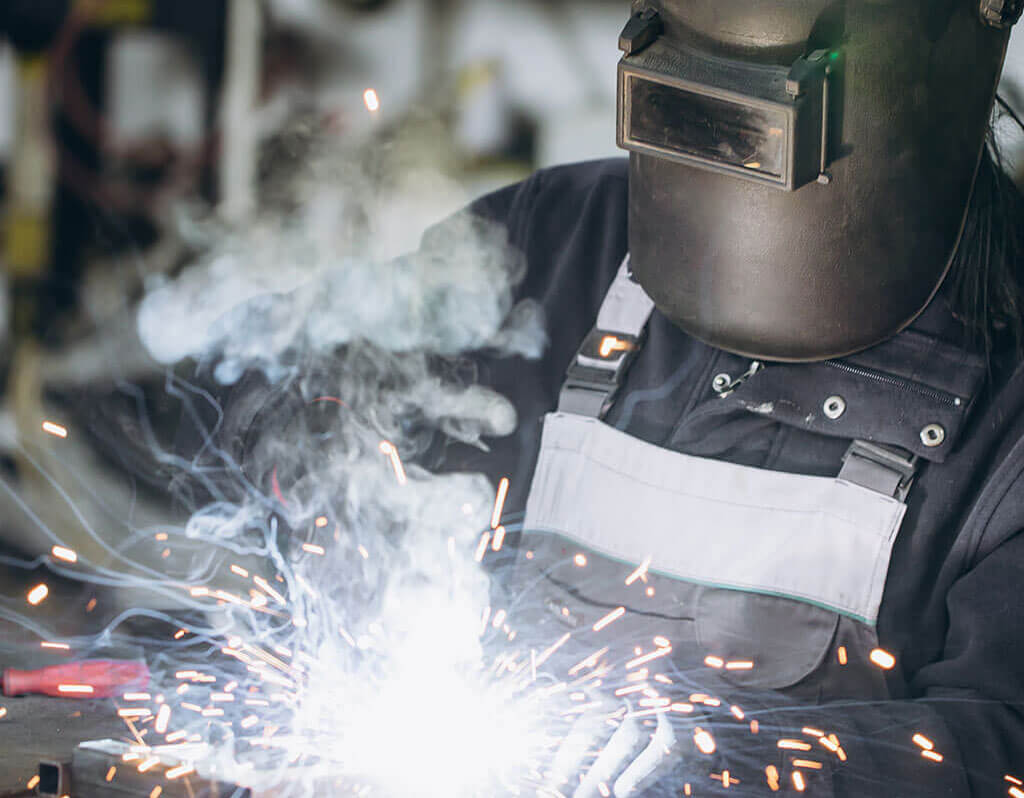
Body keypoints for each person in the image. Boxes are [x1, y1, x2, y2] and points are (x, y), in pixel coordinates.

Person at [403, 2, 1024, 796]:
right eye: (695, 113)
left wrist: (739, 766)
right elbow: (295, 383)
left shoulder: (1009, 406)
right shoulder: (552, 242)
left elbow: (1003, 743)